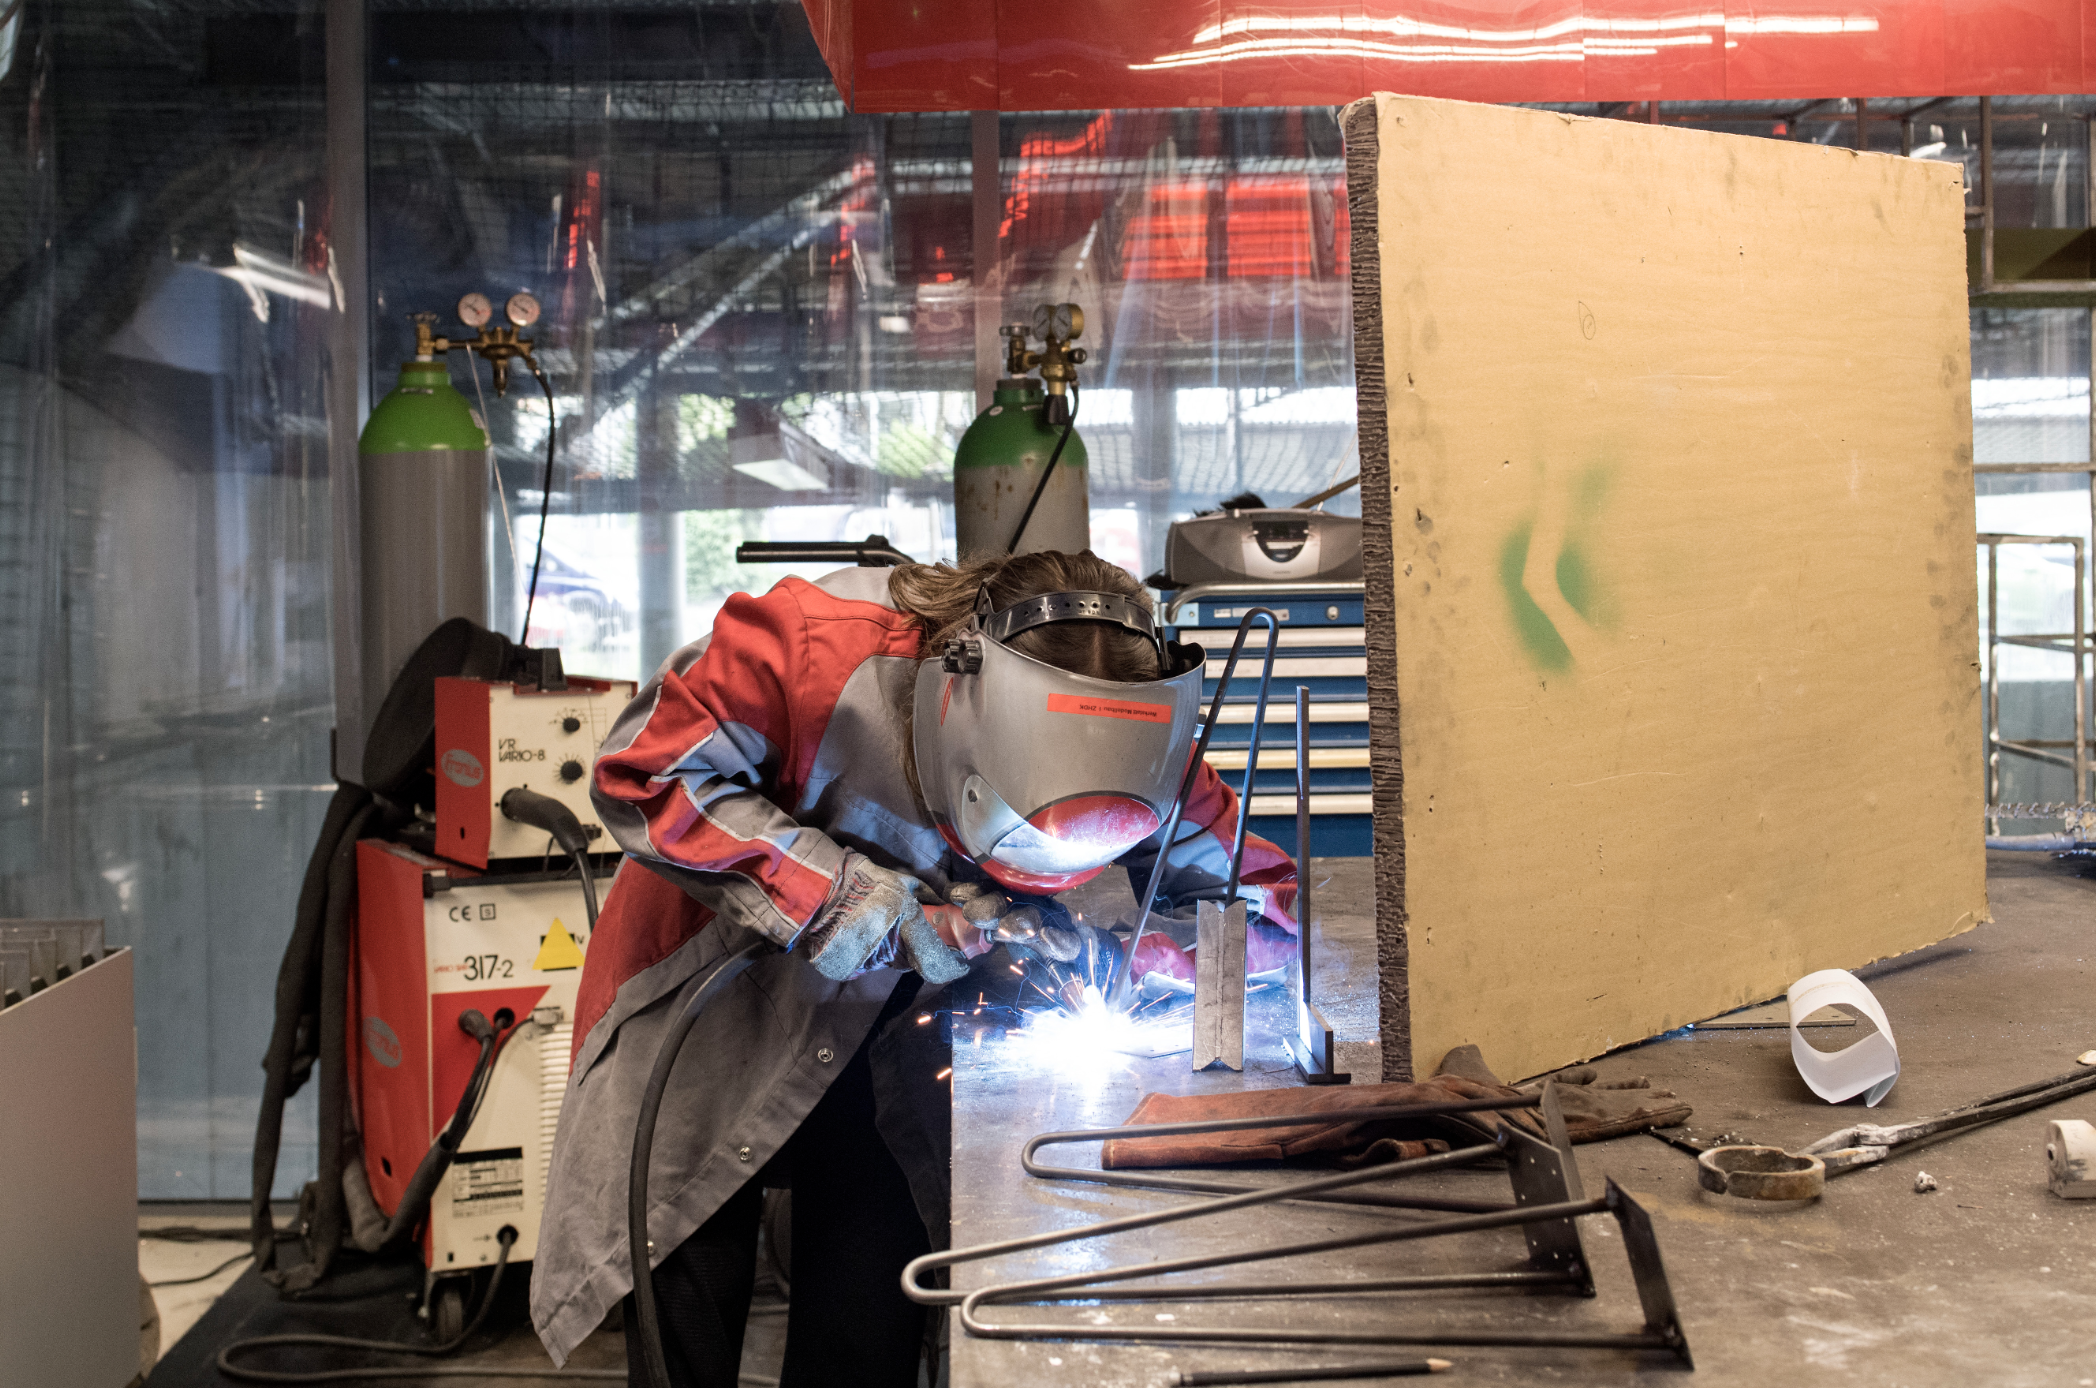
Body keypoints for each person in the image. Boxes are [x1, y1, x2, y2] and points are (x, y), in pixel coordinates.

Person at [529, 550, 1300, 1387]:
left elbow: (1268, 909)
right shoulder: (811, 650)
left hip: (895, 1039)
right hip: (714, 1010)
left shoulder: (1149, 752)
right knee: (687, 1321)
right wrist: (842, 898)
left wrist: (1126, 955)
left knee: (862, 1336)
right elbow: (644, 770)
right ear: (955, 705)